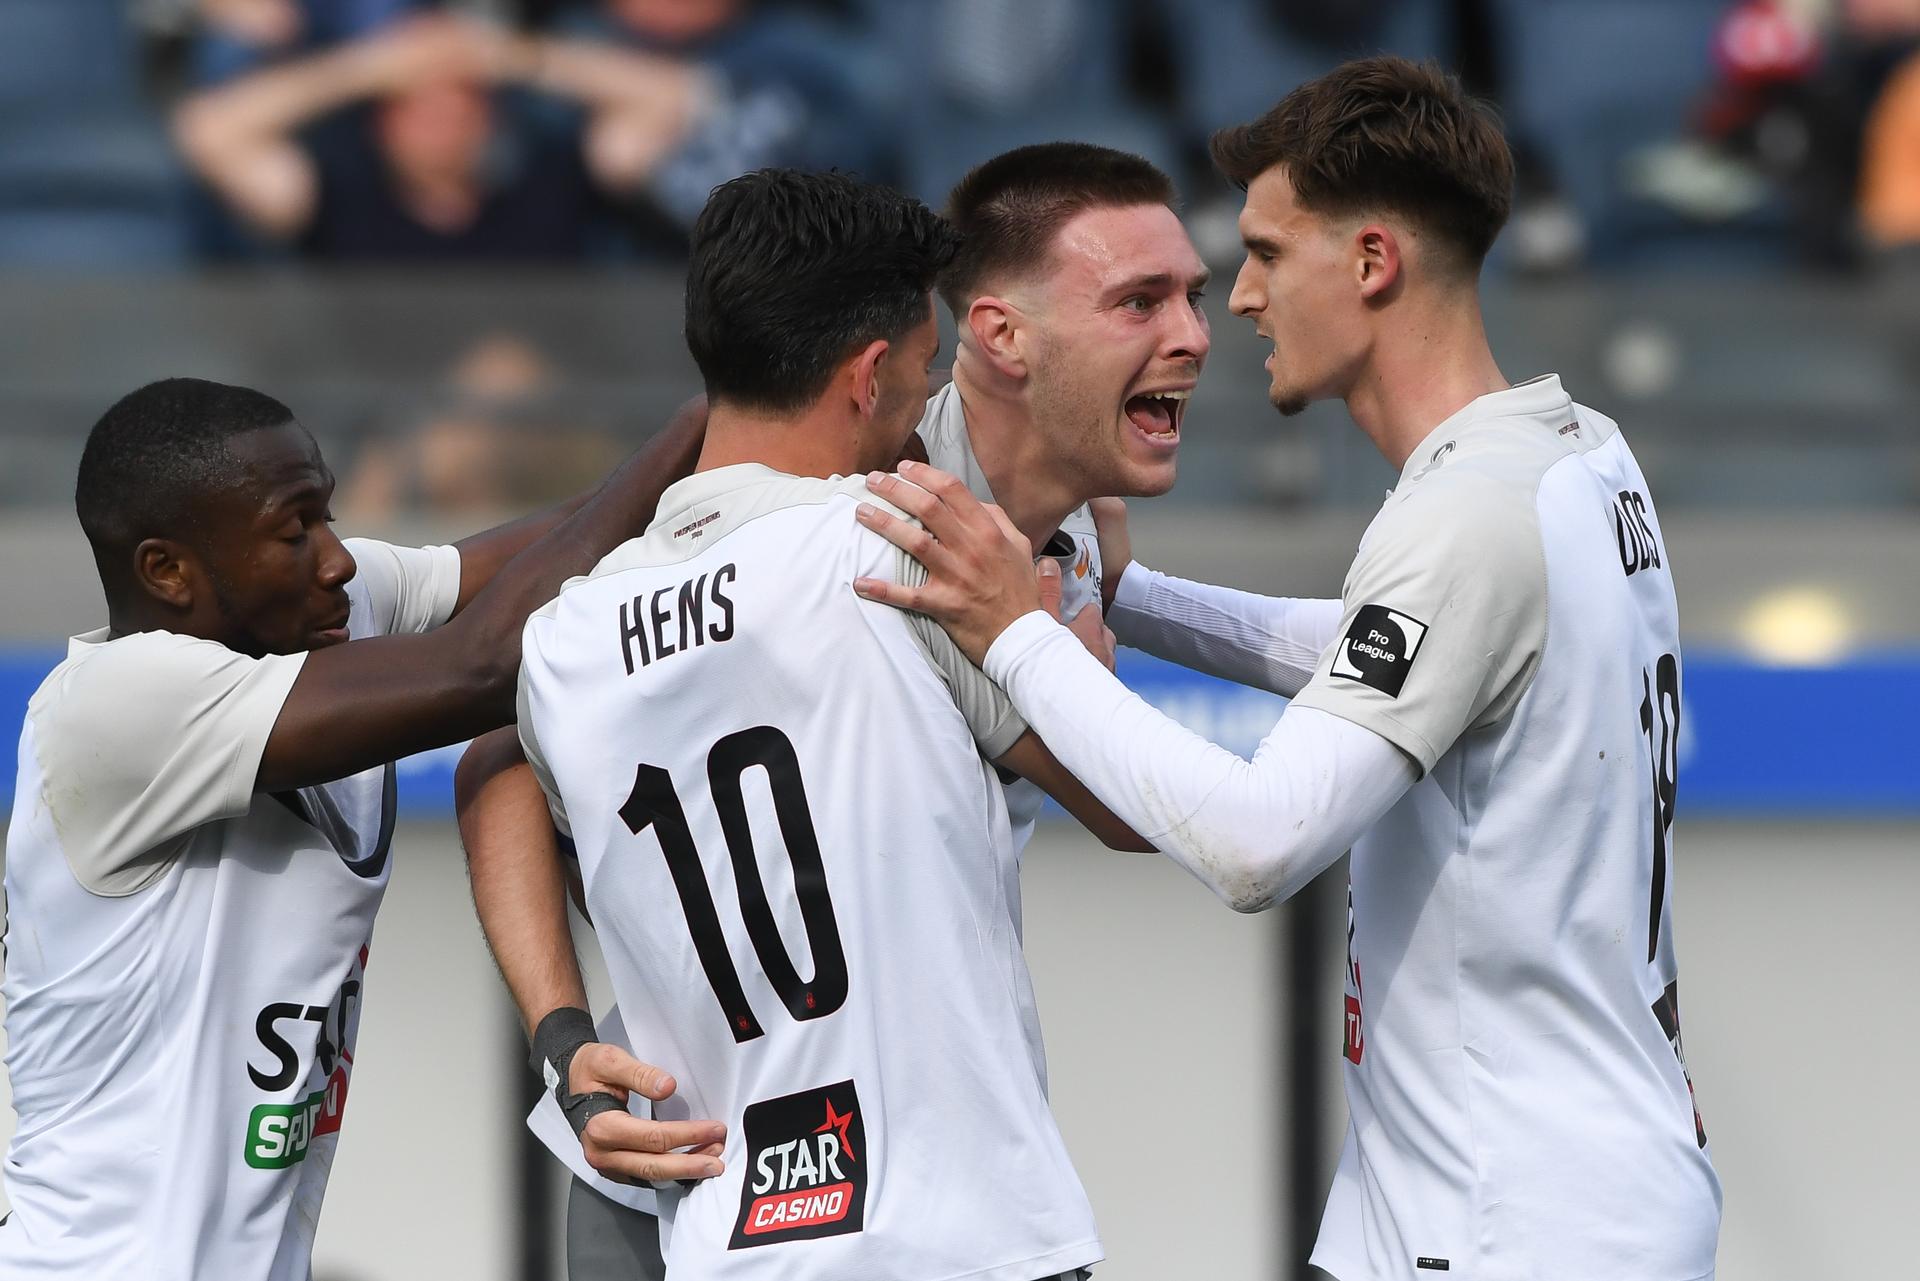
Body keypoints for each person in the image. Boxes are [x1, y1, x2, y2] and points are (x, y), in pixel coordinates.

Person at [854, 57, 1724, 1281]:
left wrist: (1014, 632)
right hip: (1454, 1199)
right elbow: (1408, 659)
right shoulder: (1577, 455)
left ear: (1370, 264)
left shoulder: (1464, 519)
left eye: (1264, 255)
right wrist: (1133, 602)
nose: (1239, 306)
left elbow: (1260, 843)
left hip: (1517, 1226)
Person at [456, 140, 1210, 1277]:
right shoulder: (899, 537)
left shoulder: (570, 628)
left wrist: (561, 1035)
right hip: (940, 1225)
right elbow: (1139, 804)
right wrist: (1071, 663)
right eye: (919, 370)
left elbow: (493, 757)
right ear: (872, 375)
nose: (925, 397)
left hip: (718, 1203)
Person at [0, 376, 708, 1279]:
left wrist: (721, 471)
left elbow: (546, 556)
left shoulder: (318, 613)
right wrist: (701, 421)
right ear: (166, 572)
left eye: (326, 516)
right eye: (294, 532)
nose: (336, 559)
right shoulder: (113, 711)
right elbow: (485, 661)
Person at [171, 12, 706, 261]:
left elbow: (680, 97)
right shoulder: (336, 197)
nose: (443, 121)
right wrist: (368, 67)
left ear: (491, 116)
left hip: (547, 434)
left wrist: (510, 56)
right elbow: (208, 131)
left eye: (462, 101)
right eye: (420, 106)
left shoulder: (551, 184)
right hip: (374, 431)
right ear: (383, 121)